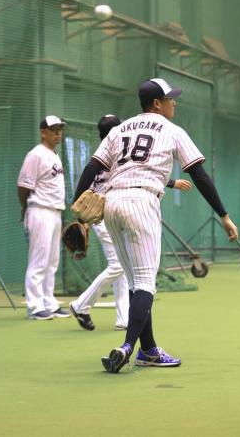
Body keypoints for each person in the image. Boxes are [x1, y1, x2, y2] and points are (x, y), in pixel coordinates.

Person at [72, 78, 238, 373]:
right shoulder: (172, 130)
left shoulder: (120, 129)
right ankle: (127, 346)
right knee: (146, 281)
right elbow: (199, 175)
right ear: (157, 103)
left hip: (111, 204)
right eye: (170, 98)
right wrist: (223, 215)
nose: (175, 102)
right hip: (142, 202)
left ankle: (148, 350)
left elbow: (91, 168)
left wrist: (77, 210)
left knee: (135, 281)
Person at [69, 114, 193, 332]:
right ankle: (81, 304)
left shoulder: (109, 152)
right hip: (107, 214)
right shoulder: (115, 152)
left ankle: (123, 317)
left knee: (125, 268)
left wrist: (171, 183)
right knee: (119, 266)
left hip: (110, 212)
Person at [17, 115, 71, 320]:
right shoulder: (36, 154)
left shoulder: (54, 155)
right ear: (43, 132)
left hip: (55, 211)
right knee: (39, 260)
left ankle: (49, 301)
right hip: (39, 210)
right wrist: (25, 209)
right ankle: (35, 305)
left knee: (52, 261)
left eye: (60, 129)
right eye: (53, 129)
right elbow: (23, 185)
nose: (58, 133)